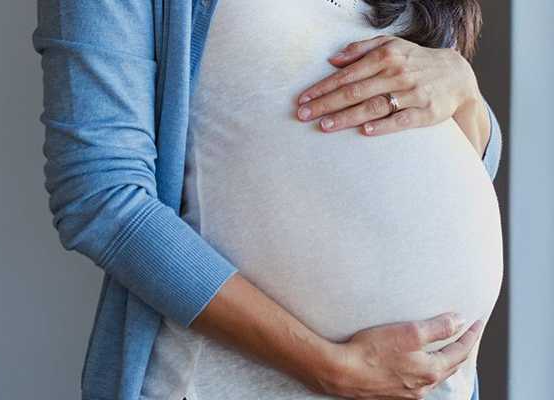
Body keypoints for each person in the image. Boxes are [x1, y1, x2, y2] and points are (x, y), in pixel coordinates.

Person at [32, 0, 503, 399]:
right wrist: (328, 366)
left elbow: (460, 160)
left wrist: (464, 92)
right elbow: (101, 196)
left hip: (433, 384)